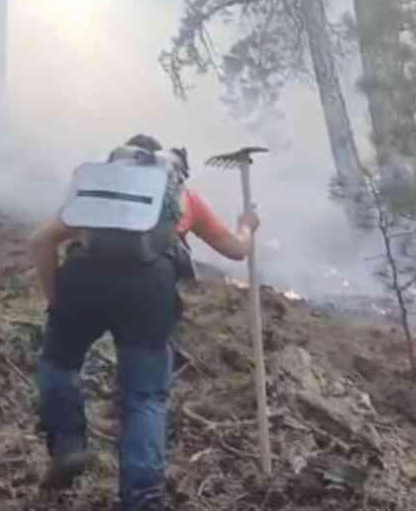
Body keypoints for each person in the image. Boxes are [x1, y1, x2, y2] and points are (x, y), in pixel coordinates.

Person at [28, 134, 259, 511]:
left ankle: (68, 443)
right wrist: (247, 224)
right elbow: (235, 249)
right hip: (148, 293)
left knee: (58, 364)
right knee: (145, 398)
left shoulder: (97, 191)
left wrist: (57, 302)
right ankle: (142, 499)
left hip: (84, 282)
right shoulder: (183, 198)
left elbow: (40, 241)